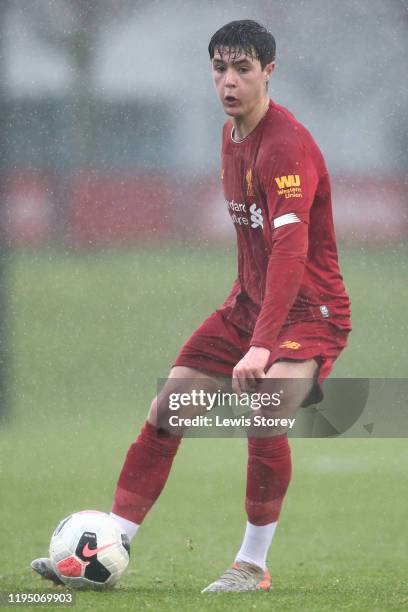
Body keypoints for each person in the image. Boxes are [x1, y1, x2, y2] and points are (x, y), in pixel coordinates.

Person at [32, 19, 351, 593]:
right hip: (247, 306)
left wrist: (262, 343)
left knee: (265, 413)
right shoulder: (231, 136)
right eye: (220, 69)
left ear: (268, 71)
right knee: (170, 409)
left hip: (309, 312)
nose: (229, 82)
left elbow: (290, 250)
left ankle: (252, 566)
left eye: (243, 69)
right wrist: (249, 323)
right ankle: (110, 543)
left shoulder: (284, 146)